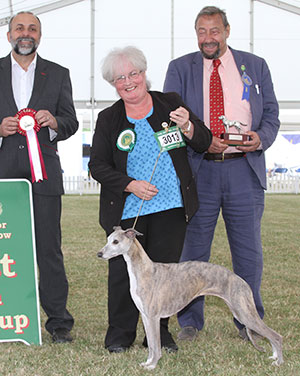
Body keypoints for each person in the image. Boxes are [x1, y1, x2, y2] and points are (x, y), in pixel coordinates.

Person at [164, 6, 280, 341]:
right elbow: (169, 117)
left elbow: (271, 112)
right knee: (194, 253)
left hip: (244, 169)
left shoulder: (255, 66)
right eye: (201, 31)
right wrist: (199, 139)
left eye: (214, 31)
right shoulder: (180, 68)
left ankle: (250, 322)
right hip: (199, 172)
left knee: (247, 252)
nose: (208, 38)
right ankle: (190, 322)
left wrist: (262, 138)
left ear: (227, 30)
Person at [89, 46, 212, 353]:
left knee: (164, 272)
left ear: (144, 74)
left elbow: (204, 141)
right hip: (129, 208)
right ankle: (120, 332)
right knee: (123, 273)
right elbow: (97, 165)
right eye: (120, 78)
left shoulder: (170, 103)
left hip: (171, 205)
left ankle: (159, 333)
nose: (129, 81)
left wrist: (187, 125)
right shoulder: (109, 118)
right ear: (113, 84)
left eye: (134, 73)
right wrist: (130, 184)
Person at [0, 11, 78, 343]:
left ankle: (59, 322)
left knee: (49, 248)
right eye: (20, 27)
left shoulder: (59, 74)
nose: (26, 33)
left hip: (44, 174)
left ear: (40, 36)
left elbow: (72, 122)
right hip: (3, 172)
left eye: (33, 28)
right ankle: (7, 314)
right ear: (9, 34)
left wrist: (55, 122)